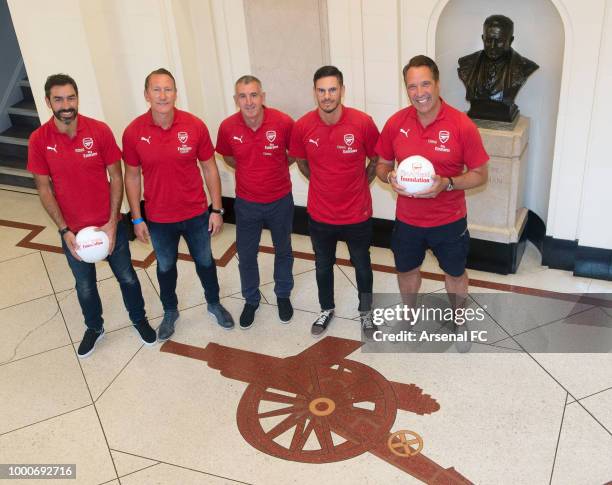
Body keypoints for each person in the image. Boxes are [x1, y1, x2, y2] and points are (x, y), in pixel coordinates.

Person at [27, 74, 156, 358]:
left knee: (127, 278)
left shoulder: (99, 131)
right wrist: (64, 230)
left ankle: (139, 319)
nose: (66, 104)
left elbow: (116, 176)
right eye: (58, 99)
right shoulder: (38, 140)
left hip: (110, 226)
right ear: (48, 102)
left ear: (77, 98)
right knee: (85, 285)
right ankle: (94, 327)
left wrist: (112, 222)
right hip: (73, 232)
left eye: (70, 97)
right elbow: (43, 188)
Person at [123, 68, 234, 341]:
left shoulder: (194, 125)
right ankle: (170, 311)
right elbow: (132, 176)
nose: (163, 95)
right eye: (157, 89)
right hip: (159, 217)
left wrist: (216, 209)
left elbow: (209, 168)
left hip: (196, 212)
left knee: (206, 261)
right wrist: (137, 218)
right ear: (147, 94)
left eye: (168, 89)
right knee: (165, 267)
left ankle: (214, 303)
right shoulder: (134, 131)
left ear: (175, 92)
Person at [376, 55, 489, 317]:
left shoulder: (462, 125)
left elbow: (480, 174)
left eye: (425, 84)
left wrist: (448, 184)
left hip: (449, 221)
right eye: (412, 87)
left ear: (437, 84)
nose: (419, 93)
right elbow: (381, 164)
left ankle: (459, 317)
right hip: (407, 220)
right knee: (406, 270)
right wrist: (389, 176)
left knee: (455, 273)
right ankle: (409, 313)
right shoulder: (396, 122)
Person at [289, 65, 379, 337]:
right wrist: (321, 180)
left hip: (357, 213)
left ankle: (366, 313)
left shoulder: (362, 122)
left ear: (342, 90)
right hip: (320, 214)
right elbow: (301, 161)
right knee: (322, 265)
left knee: (362, 263)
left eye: (332, 89)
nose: (327, 96)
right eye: (321, 90)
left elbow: (376, 159)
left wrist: (360, 183)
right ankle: (326, 308)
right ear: (314, 92)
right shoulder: (303, 125)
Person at [216, 75, 295, 329]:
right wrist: (250, 167)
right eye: (243, 96)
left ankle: (283, 294)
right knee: (247, 254)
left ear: (263, 96)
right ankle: (251, 299)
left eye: (253, 95)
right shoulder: (228, 127)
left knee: (283, 250)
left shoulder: (283, 122)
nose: (249, 101)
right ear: (235, 99)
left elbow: (293, 153)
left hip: (280, 199)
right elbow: (228, 156)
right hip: (247, 203)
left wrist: (275, 166)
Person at [457, 14, 539, 122]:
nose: (492, 46)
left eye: (499, 41)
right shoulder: (466, 64)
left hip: (505, 116)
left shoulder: (525, 66)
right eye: (488, 40)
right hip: (476, 113)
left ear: (511, 40)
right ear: (483, 38)